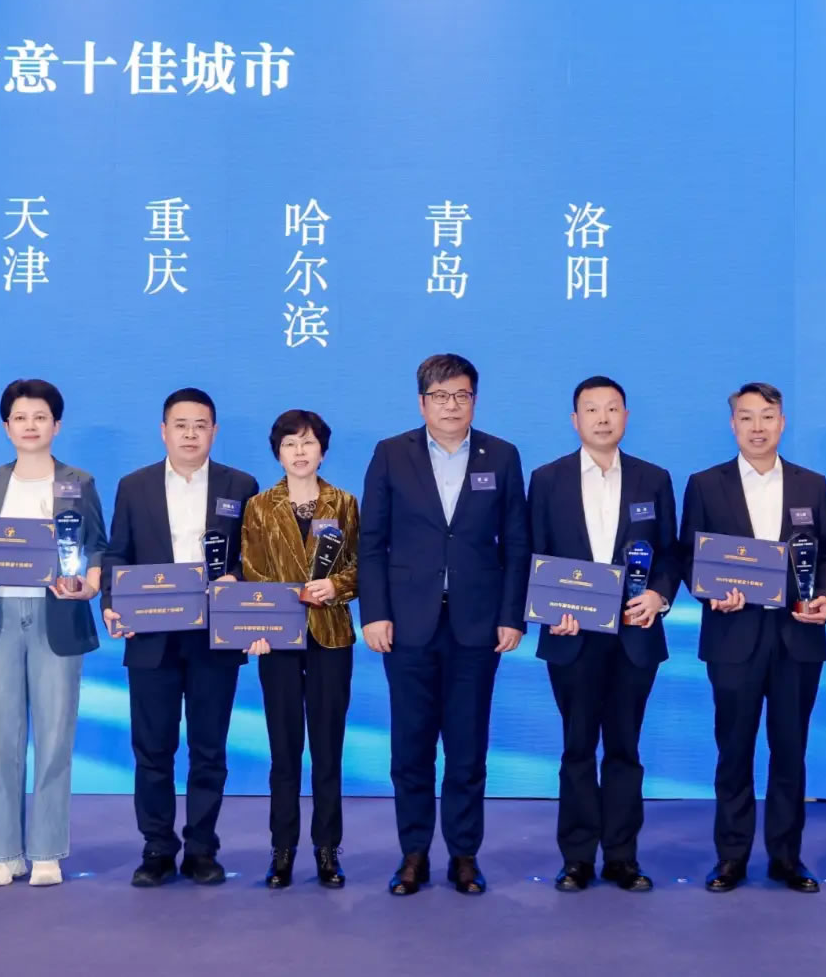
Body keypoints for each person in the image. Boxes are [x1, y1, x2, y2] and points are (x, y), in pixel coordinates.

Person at [359, 353, 529, 896]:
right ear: (422, 402)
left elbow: (517, 544)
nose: (451, 405)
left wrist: (511, 615)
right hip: (407, 624)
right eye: (440, 396)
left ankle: (464, 855)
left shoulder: (501, 456)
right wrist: (375, 612)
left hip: (477, 625)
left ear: (474, 400)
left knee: (467, 747)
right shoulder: (391, 453)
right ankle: (413, 853)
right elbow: (371, 542)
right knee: (410, 747)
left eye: (461, 395)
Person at [680, 381, 826, 893]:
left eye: (767, 417)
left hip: (798, 637)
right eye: (747, 417)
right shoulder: (705, 485)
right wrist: (710, 592)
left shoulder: (811, 484)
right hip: (733, 637)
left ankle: (786, 858)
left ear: (782, 423)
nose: (758, 427)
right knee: (733, 751)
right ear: (733, 424)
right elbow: (688, 556)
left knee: (790, 751)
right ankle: (730, 857)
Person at [0, 378, 104, 889]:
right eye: (20, 417)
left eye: (40, 417)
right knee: (0, 738)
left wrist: (90, 584)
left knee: (55, 738)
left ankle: (46, 851)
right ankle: (1, 852)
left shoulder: (79, 481)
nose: (30, 425)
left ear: (57, 425)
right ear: (6, 426)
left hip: (57, 616)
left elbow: (98, 545)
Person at [526, 375, 680, 892]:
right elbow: (534, 553)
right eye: (591, 409)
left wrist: (658, 596)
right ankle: (576, 858)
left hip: (635, 635)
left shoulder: (653, 479)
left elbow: (670, 553)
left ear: (626, 417)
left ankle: (622, 857)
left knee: (624, 750)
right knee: (576, 750)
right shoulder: (547, 479)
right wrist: (549, 610)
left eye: (612, 408)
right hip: (570, 636)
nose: (602, 418)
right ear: (575, 420)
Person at [101, 388, 259, 887]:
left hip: (215, 636)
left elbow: (254, 558)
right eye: (181, 425)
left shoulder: (240, 485)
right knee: (153, 750)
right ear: (163, 431)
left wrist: (237, 577)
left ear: (214, 431)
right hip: (151, 636)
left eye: (200, 425)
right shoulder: (135, 485)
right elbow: (117, 553)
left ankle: (202, 849)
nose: (191, 434)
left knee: (209, 750)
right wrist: (111, 602)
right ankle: (156, 848)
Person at [238, 409, 360, 889]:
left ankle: (328, 850)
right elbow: (253, 572)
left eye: (308, 442)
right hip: (279, 640)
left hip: (331, 636)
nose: (300, 451)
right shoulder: (259, 507)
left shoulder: (344, 503)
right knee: (283, 751)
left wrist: (338, 586)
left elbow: (361, 565)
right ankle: (282, 850)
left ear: (323, 451)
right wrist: (259, 623)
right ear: (278, 453)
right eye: (290, 443)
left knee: (328, 750)